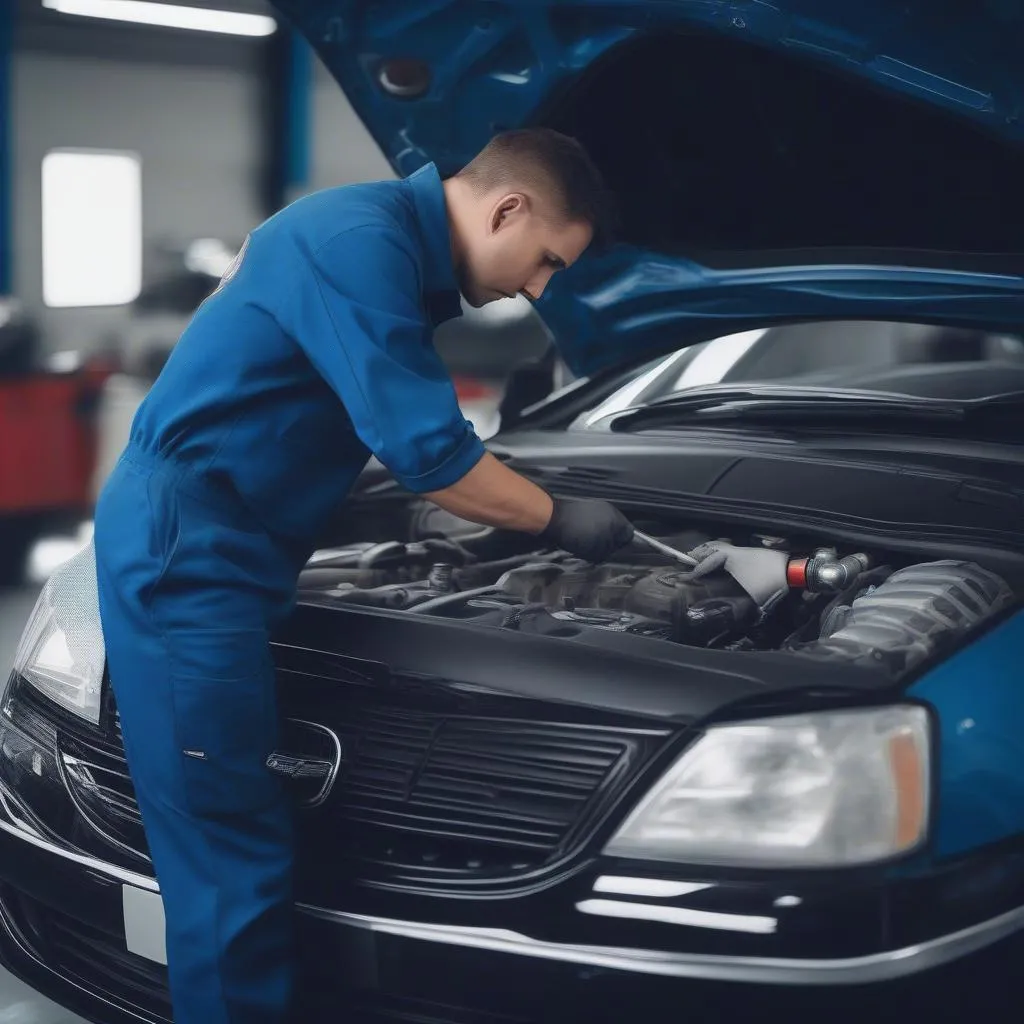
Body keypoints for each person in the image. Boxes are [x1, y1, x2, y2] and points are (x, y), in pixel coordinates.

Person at [93, 128, 635, 1024]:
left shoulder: (389, 254)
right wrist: (558, 517)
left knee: (238, 838)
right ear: (507, 209)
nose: (540, 290)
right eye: (546, 262)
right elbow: (431, 452)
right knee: (228, 854)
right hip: (188, 557)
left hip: (237, 546)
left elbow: (343, 423)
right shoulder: (360, 243)